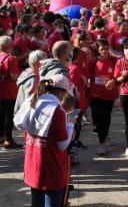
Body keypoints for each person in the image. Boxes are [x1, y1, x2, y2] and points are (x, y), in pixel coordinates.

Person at [13, 73, 76, 207]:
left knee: (36, 203)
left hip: (33, 166)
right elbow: (63, 144)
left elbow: (19, 122)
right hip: (53, 169)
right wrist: (71, 124)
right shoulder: (57, 111)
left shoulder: (33, 102)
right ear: (62, 92)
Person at [90, 39, 117, 155]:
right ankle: (102, 139)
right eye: (102, 49)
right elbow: (88, 76)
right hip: (96, 94)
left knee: (106, 118)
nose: (104, 52)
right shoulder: (93, 62)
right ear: (98, 50)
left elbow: (119, 75)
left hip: (109, 95)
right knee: (97, 118)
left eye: (106, 49)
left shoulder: (113, 60)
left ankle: (103, 141)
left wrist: (113, 80)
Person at [0, 35, 21, 149]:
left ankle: (1, 137)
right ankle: (8, 140)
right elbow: (14, 76)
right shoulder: (10, 59)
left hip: (1, 89)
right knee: (8, 115)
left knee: (1, 114)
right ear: (10, 45)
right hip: (9, 90)